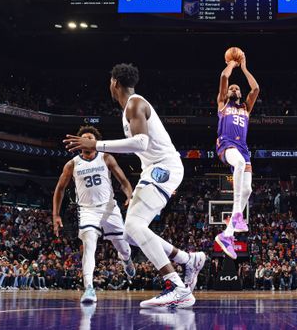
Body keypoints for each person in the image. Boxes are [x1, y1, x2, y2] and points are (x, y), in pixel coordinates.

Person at [64, 64, 206, 308]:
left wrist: (97, 145)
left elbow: (140, 143)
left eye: (110, 81)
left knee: (133, 224)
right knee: (130, 233)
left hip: (164, 167)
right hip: (155, 169)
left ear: (115, 83)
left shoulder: (134, 103)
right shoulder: (129, 108)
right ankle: (188, 259)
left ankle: (175, 285)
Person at [53, 125, 137, 304]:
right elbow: (59, 189)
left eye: (90, 138)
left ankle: (126, 259)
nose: (86, 141)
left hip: (109, 208)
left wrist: (130, 196)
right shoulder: (72, 164)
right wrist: (56, 215)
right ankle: (89, 288)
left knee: (122, 246)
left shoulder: (106, 157)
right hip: (87, 210)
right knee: (89, 245)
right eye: (83, 138)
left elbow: (123, 181)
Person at [214, 51, 260, 258]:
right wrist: (231, 64)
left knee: (248, 189)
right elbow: (224, 77)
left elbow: (256, 88)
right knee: (239, 164)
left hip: (243, 148)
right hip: (226, 145)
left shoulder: (246, 107)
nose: (233, 88)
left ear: (240, 94)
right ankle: (238, 214)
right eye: (232, 88)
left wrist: (244, 68)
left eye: (237, 88)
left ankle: (228, 233)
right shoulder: (223, 104)